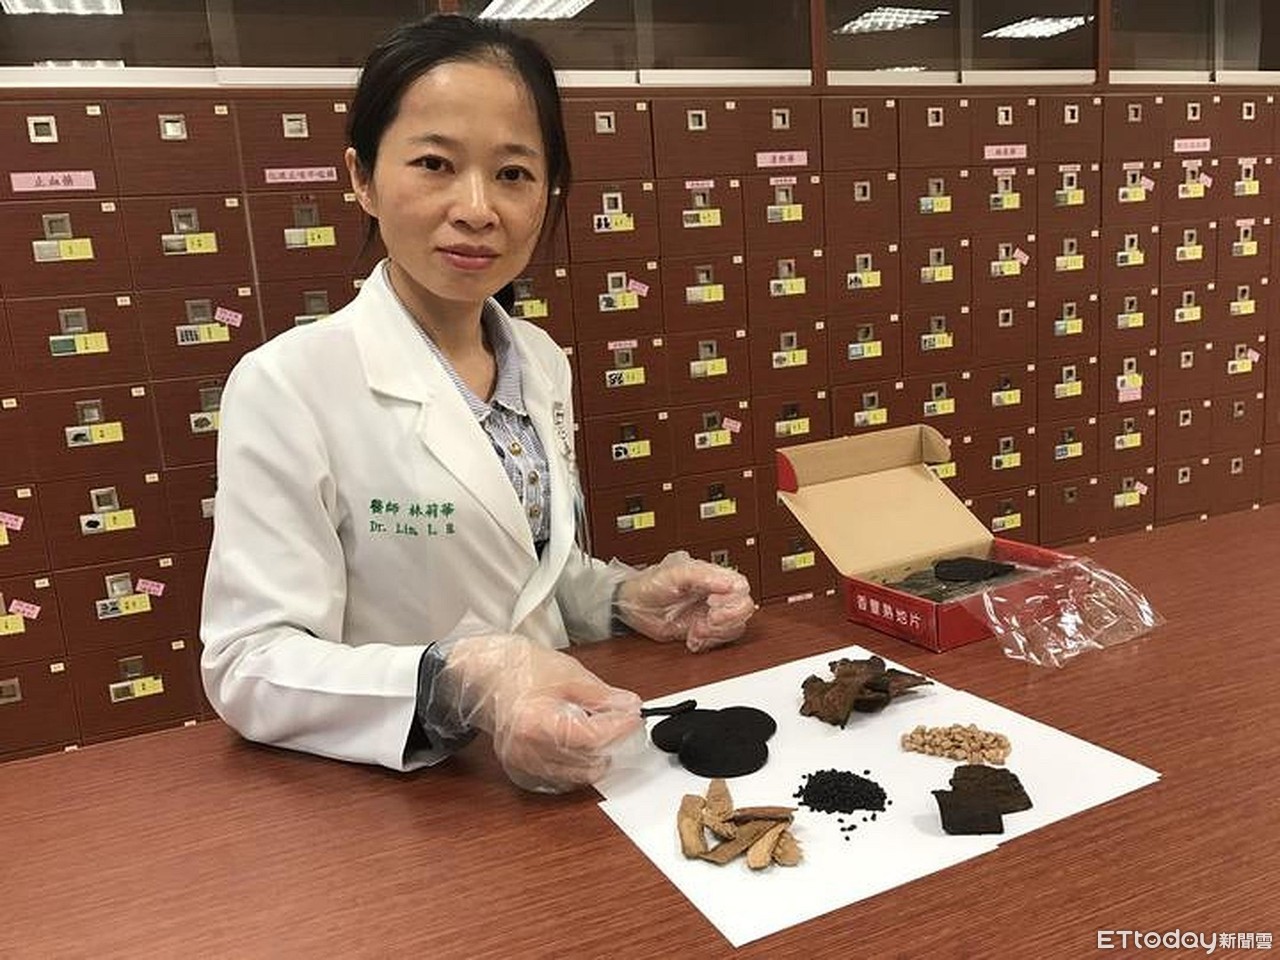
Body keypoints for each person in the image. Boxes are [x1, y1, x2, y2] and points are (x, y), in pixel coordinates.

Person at [200, 14, 756, 793]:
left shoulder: (540, 360)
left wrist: (623, 599)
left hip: (564, 760)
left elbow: (523, 579)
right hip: (411, 792)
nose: (477, 208)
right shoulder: (287, 383)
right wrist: (459, 682)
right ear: (362, 177)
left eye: (513, 173)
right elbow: (249, 664)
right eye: (435, 164)